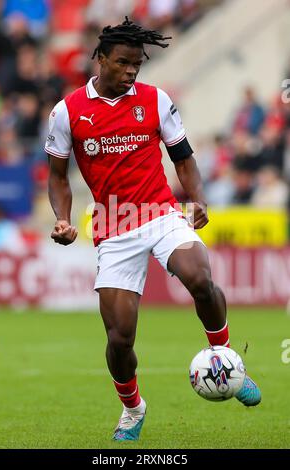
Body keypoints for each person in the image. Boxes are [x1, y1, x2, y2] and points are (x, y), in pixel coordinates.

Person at [46, 18, 261, 442]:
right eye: (123, 63)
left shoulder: (155, 100)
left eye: (138, 65)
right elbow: (57, 176)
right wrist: (64, 219)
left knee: (200, 276)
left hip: (160, 212)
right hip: (113, 225)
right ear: (101, 58)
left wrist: (197, 199)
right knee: (120, 337)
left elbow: (183, 159)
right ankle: (132, 409)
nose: (131, 71)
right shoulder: (67, 111)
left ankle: (225, 355)